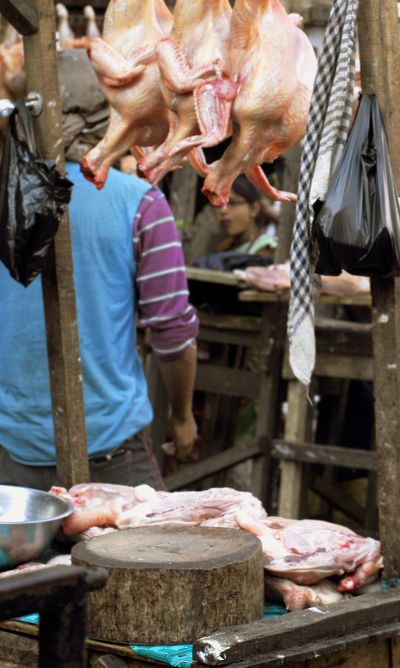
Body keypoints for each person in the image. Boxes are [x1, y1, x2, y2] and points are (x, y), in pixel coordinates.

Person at [0, 49, 199, 490]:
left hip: (10, 458)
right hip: (111, 456)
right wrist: (182, 417)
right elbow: (171, 334)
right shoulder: (141, 203)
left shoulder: (4, 200)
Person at [215, 174, 278, 256]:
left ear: (254, 209)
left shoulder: (266, 249)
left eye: (233, 203)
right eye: (219, 204)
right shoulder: (226, 247)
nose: (223, 211)